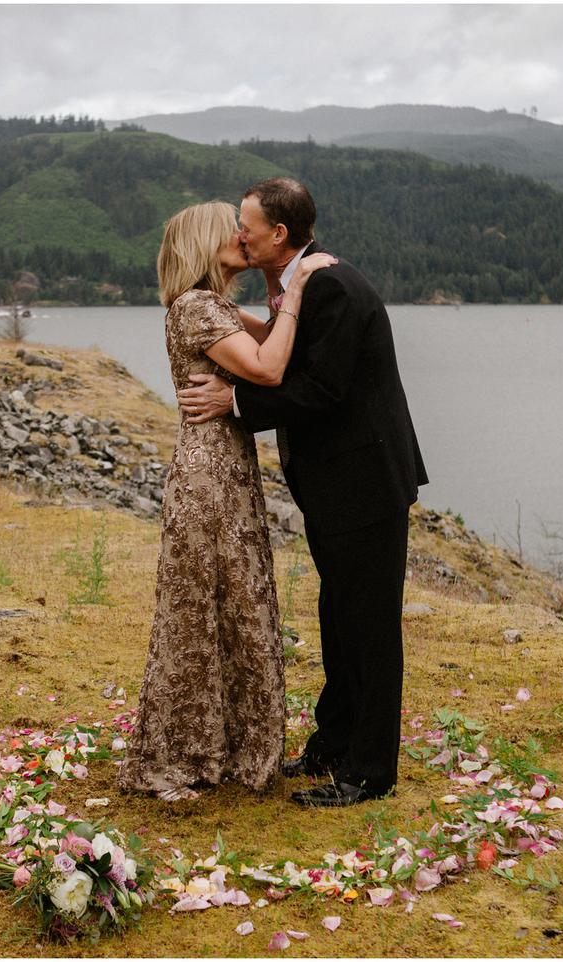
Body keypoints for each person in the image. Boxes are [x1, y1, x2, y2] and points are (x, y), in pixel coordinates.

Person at [177, 177, 427, 807]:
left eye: (247, 224)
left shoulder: (333, 287)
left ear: (277, 234)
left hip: (365, 482)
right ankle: (332, 746)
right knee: (338, 617)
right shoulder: (298, 286)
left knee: (368, 626)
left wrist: (234, 400)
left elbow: (322, 391)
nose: (239, 233)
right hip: (336, 484)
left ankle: (369, 772)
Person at [116, 200, 336, 803]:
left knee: (233, 603)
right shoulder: (195, 307)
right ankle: (190, 748)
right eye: (230, 229)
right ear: (202, 242)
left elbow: (282, 349)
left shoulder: (214, 306)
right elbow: (268, 370)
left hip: (226, 469)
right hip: (208, 477)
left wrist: (278, 289)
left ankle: (231, 744)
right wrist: (299, 288)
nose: (241, 235)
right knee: (207, 607)